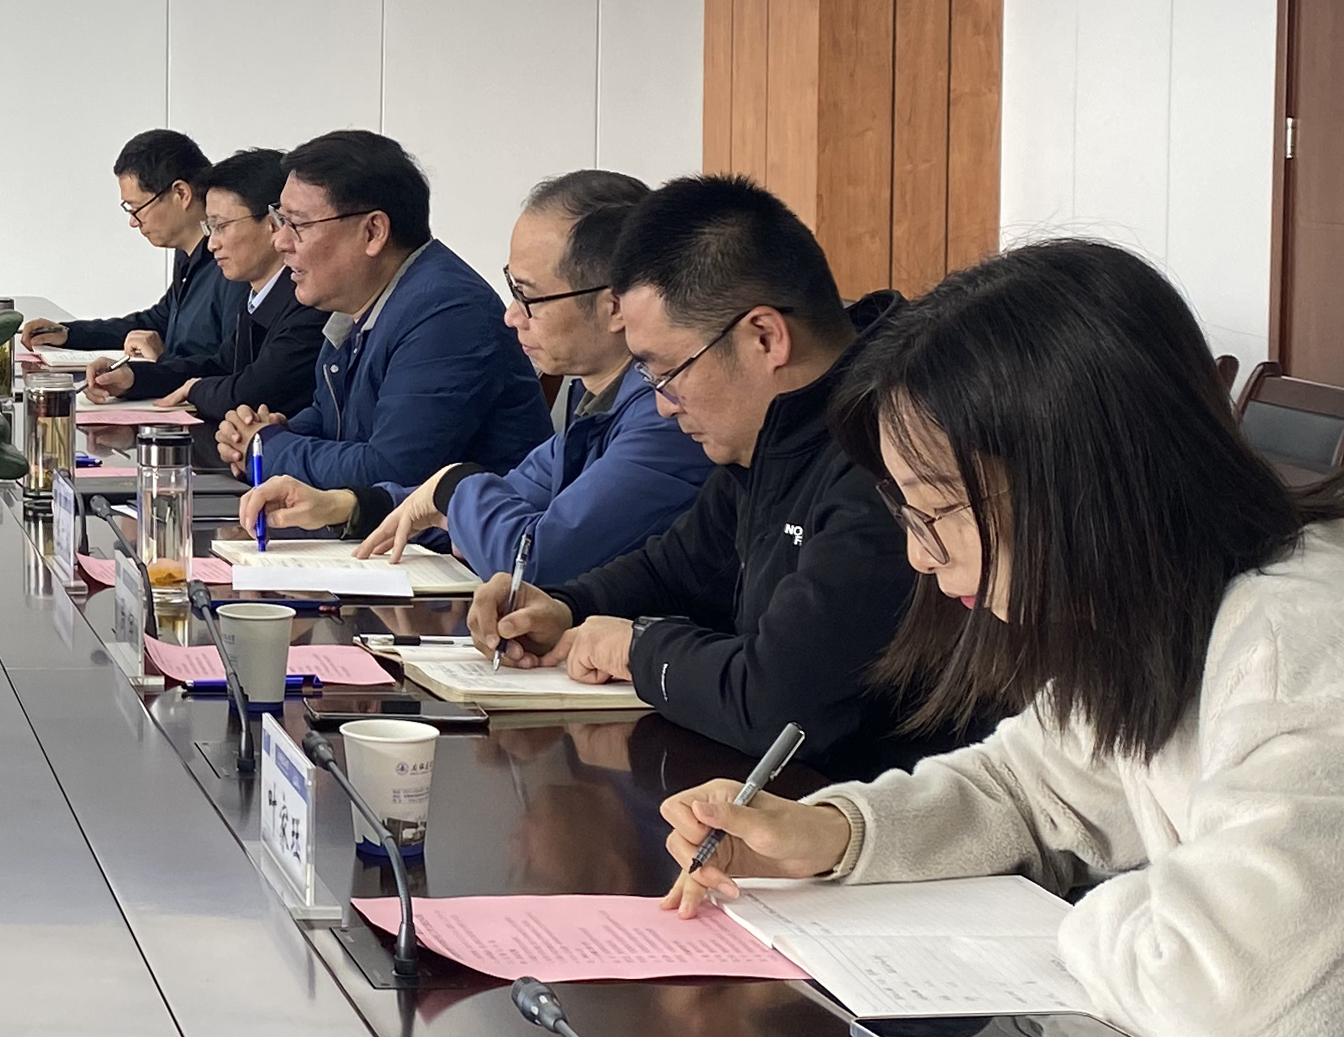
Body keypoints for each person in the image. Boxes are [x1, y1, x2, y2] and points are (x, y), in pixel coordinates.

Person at [657, 238, 1344, 1037]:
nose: (920, 558)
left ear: (1081, 482)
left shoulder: (1297, 642)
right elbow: (1027, 786)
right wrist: (832, 834)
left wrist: (1080, 927)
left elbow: (1251, 1021)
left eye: (938, 513)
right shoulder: (1168, 603)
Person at [463, 173, 922, 774]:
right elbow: (678, 565)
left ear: (765, 337)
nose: (662, 404)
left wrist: (637, 648)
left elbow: (780, 704)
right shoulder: (775, 428)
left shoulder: (891, 452)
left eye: (669, 371)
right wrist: (564, 606)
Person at [236, 169, 710, 579]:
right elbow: (512, 493)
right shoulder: (598, 400)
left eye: (528, 296)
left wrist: (452, 488)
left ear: (615, 307)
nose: (511, 316)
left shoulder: (666, 415)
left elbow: (534, 558)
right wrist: (348, 506)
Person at [211, 129, 544, 503]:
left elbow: (392, 471)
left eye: (298, 224)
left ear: (373, 232)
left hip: (463, 539)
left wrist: (267, 448)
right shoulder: (361, 304)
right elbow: (330, 419)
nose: (280, 241)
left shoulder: (447, 313)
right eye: (280, 219)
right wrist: (271, 432)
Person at [78, 148, 328, 423]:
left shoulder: (309, 301)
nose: (211, 244)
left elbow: (253, 391)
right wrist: (133, 378)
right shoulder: (259, 295)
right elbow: (219, 365)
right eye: (210, 228)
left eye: (221, 226)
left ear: (273, 224)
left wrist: (195, 389)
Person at [18, 129, 235, 365]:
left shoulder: (233, 264)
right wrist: (71, 334)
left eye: (136, 208)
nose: (134, 222)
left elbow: (231, 370)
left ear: (181, 193)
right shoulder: (186, 253)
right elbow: (157, 322)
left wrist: (163, 360)